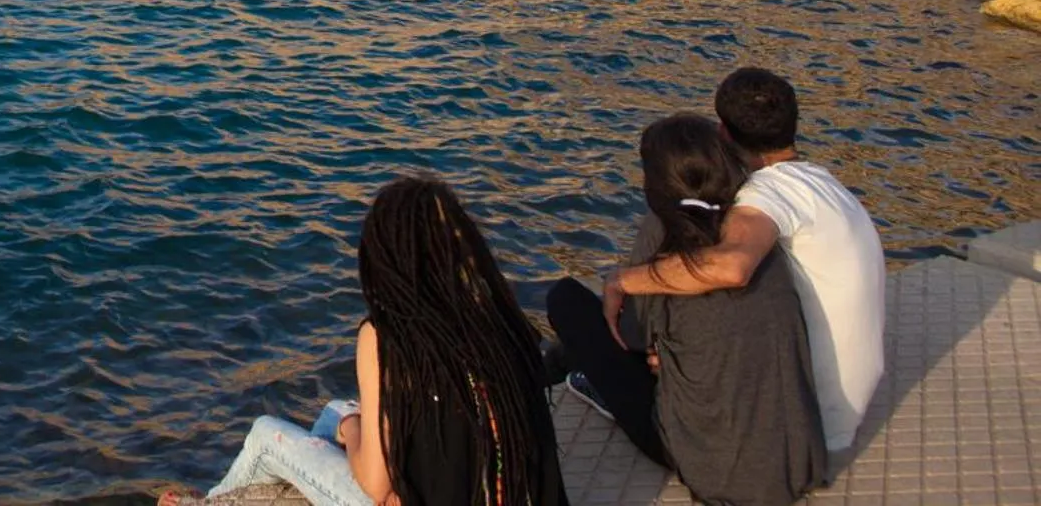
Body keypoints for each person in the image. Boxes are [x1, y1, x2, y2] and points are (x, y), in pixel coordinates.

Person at [194, 176, 568, 506]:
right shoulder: (499, 316)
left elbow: (376, 485)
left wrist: (351, 430)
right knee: (336, 409)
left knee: (265, 434)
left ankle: (207, 503)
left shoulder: (385, 337)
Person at [609, 69, 886, 460]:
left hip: (803, 421)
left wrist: (624, 281)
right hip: (843, 409)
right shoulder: (824, 184)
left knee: (579, 310)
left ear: (723, 133)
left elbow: (732, 267)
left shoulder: (764, 197)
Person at [548, 116, 827, 505]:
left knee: (565, 300)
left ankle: (557, 372)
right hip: (799, 458)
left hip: (719, 473)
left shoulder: (661, 230)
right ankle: (563, 365)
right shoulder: (757, 235)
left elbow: (628, 336)